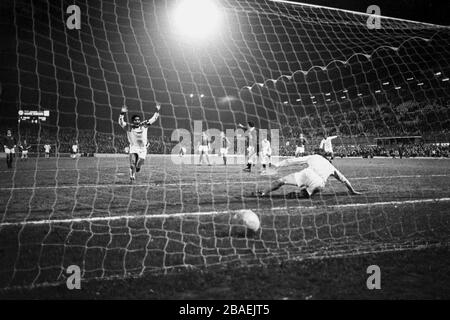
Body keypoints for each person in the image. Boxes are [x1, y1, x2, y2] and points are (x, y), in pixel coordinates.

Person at [256, 153, 361, 198]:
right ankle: (303, 194)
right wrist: (352, 191)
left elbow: (292, 161)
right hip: (319, 182)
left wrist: (277, 165)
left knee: (280, 181)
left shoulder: (315, 156)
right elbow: (344, 180)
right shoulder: (331, 167)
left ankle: (263, 193)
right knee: (313, 189)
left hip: (307, 174)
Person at [119, 104, 160, 181]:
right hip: (133, 148)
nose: (137, 121)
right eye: (135, 120)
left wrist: (157, 110)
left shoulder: (144, 125)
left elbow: (153, 119)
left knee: (138, 164)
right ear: (133, 121)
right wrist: (122, 113)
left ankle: (138, 167)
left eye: (138, 120)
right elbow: (121, 122)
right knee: (132, 164)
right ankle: (132, 175)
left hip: (143, 149)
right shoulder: (129, 127)